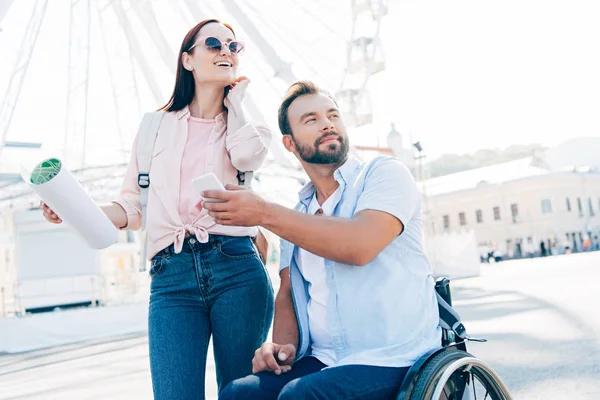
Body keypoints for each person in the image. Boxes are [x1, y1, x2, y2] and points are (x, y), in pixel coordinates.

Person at [40, 19, 274, 400]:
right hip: (171, 276)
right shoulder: (153, 128)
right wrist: (71, 209)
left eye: (234, 47)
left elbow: (248, 155)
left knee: (240, 393)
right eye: (214, 44)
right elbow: (132, 205)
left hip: (236, 267)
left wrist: (236, 101)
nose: (226, 52)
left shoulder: (248, 126)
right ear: (187, 60)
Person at [202, 80, 441, 399]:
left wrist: (263, 213)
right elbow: (287, 292)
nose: (327, 123)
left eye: (333, 115)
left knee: (302, 396)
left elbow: (360, 245)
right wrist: (281, 347)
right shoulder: (299, 212)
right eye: (311, 119)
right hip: (325, 359)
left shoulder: (385, 175)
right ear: (289, 143)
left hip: (395, 358)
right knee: (238, 393)